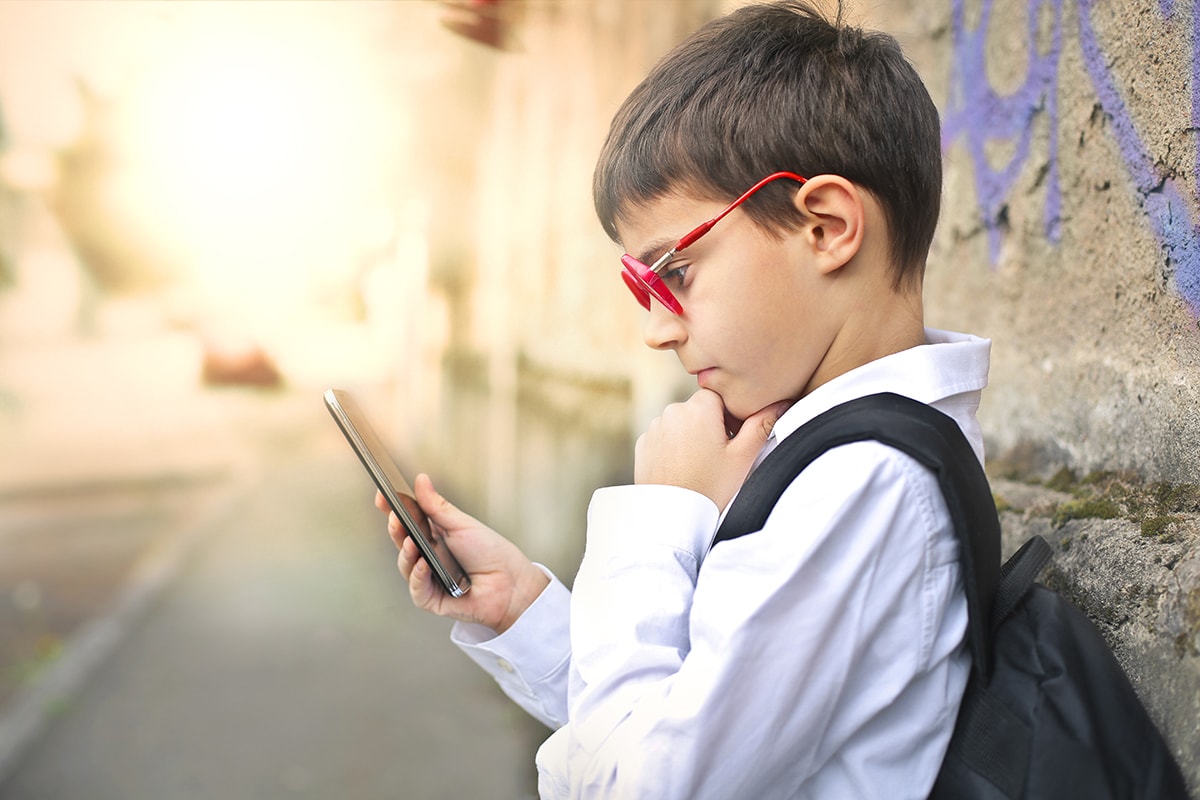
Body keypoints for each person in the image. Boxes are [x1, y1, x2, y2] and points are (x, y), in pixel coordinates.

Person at [376, 1, 991, 796]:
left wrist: (658, 517)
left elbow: (645, 785)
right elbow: (680, 726)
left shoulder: (866, 487)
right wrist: (524, 611)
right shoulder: (836, 458)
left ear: (828, 227)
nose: (657, 332)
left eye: (674, 273)